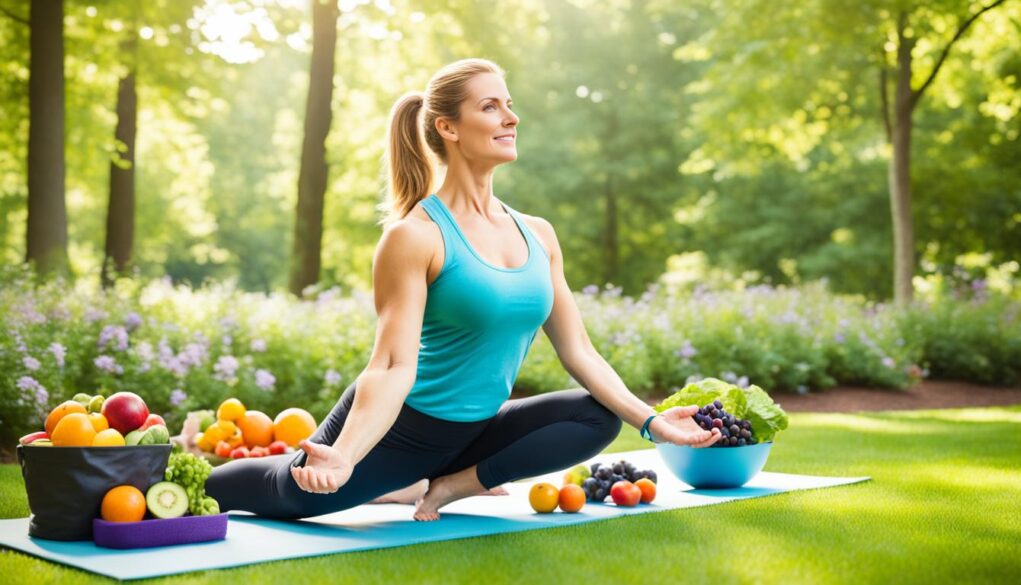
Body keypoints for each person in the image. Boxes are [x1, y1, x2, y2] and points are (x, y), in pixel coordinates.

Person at [204, 58, 721, 521]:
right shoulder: (415, 236)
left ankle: (450, 486)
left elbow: (579, 351)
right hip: (402, 428)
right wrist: (347, 453)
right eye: (491, 107)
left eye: (510, 105)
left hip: (475, 434)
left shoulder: (538, 234)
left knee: (596, 416)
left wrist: (653, 422)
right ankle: (219, 473)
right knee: (293, 496)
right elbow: (390, 366)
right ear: (447, 126)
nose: (511, 118)